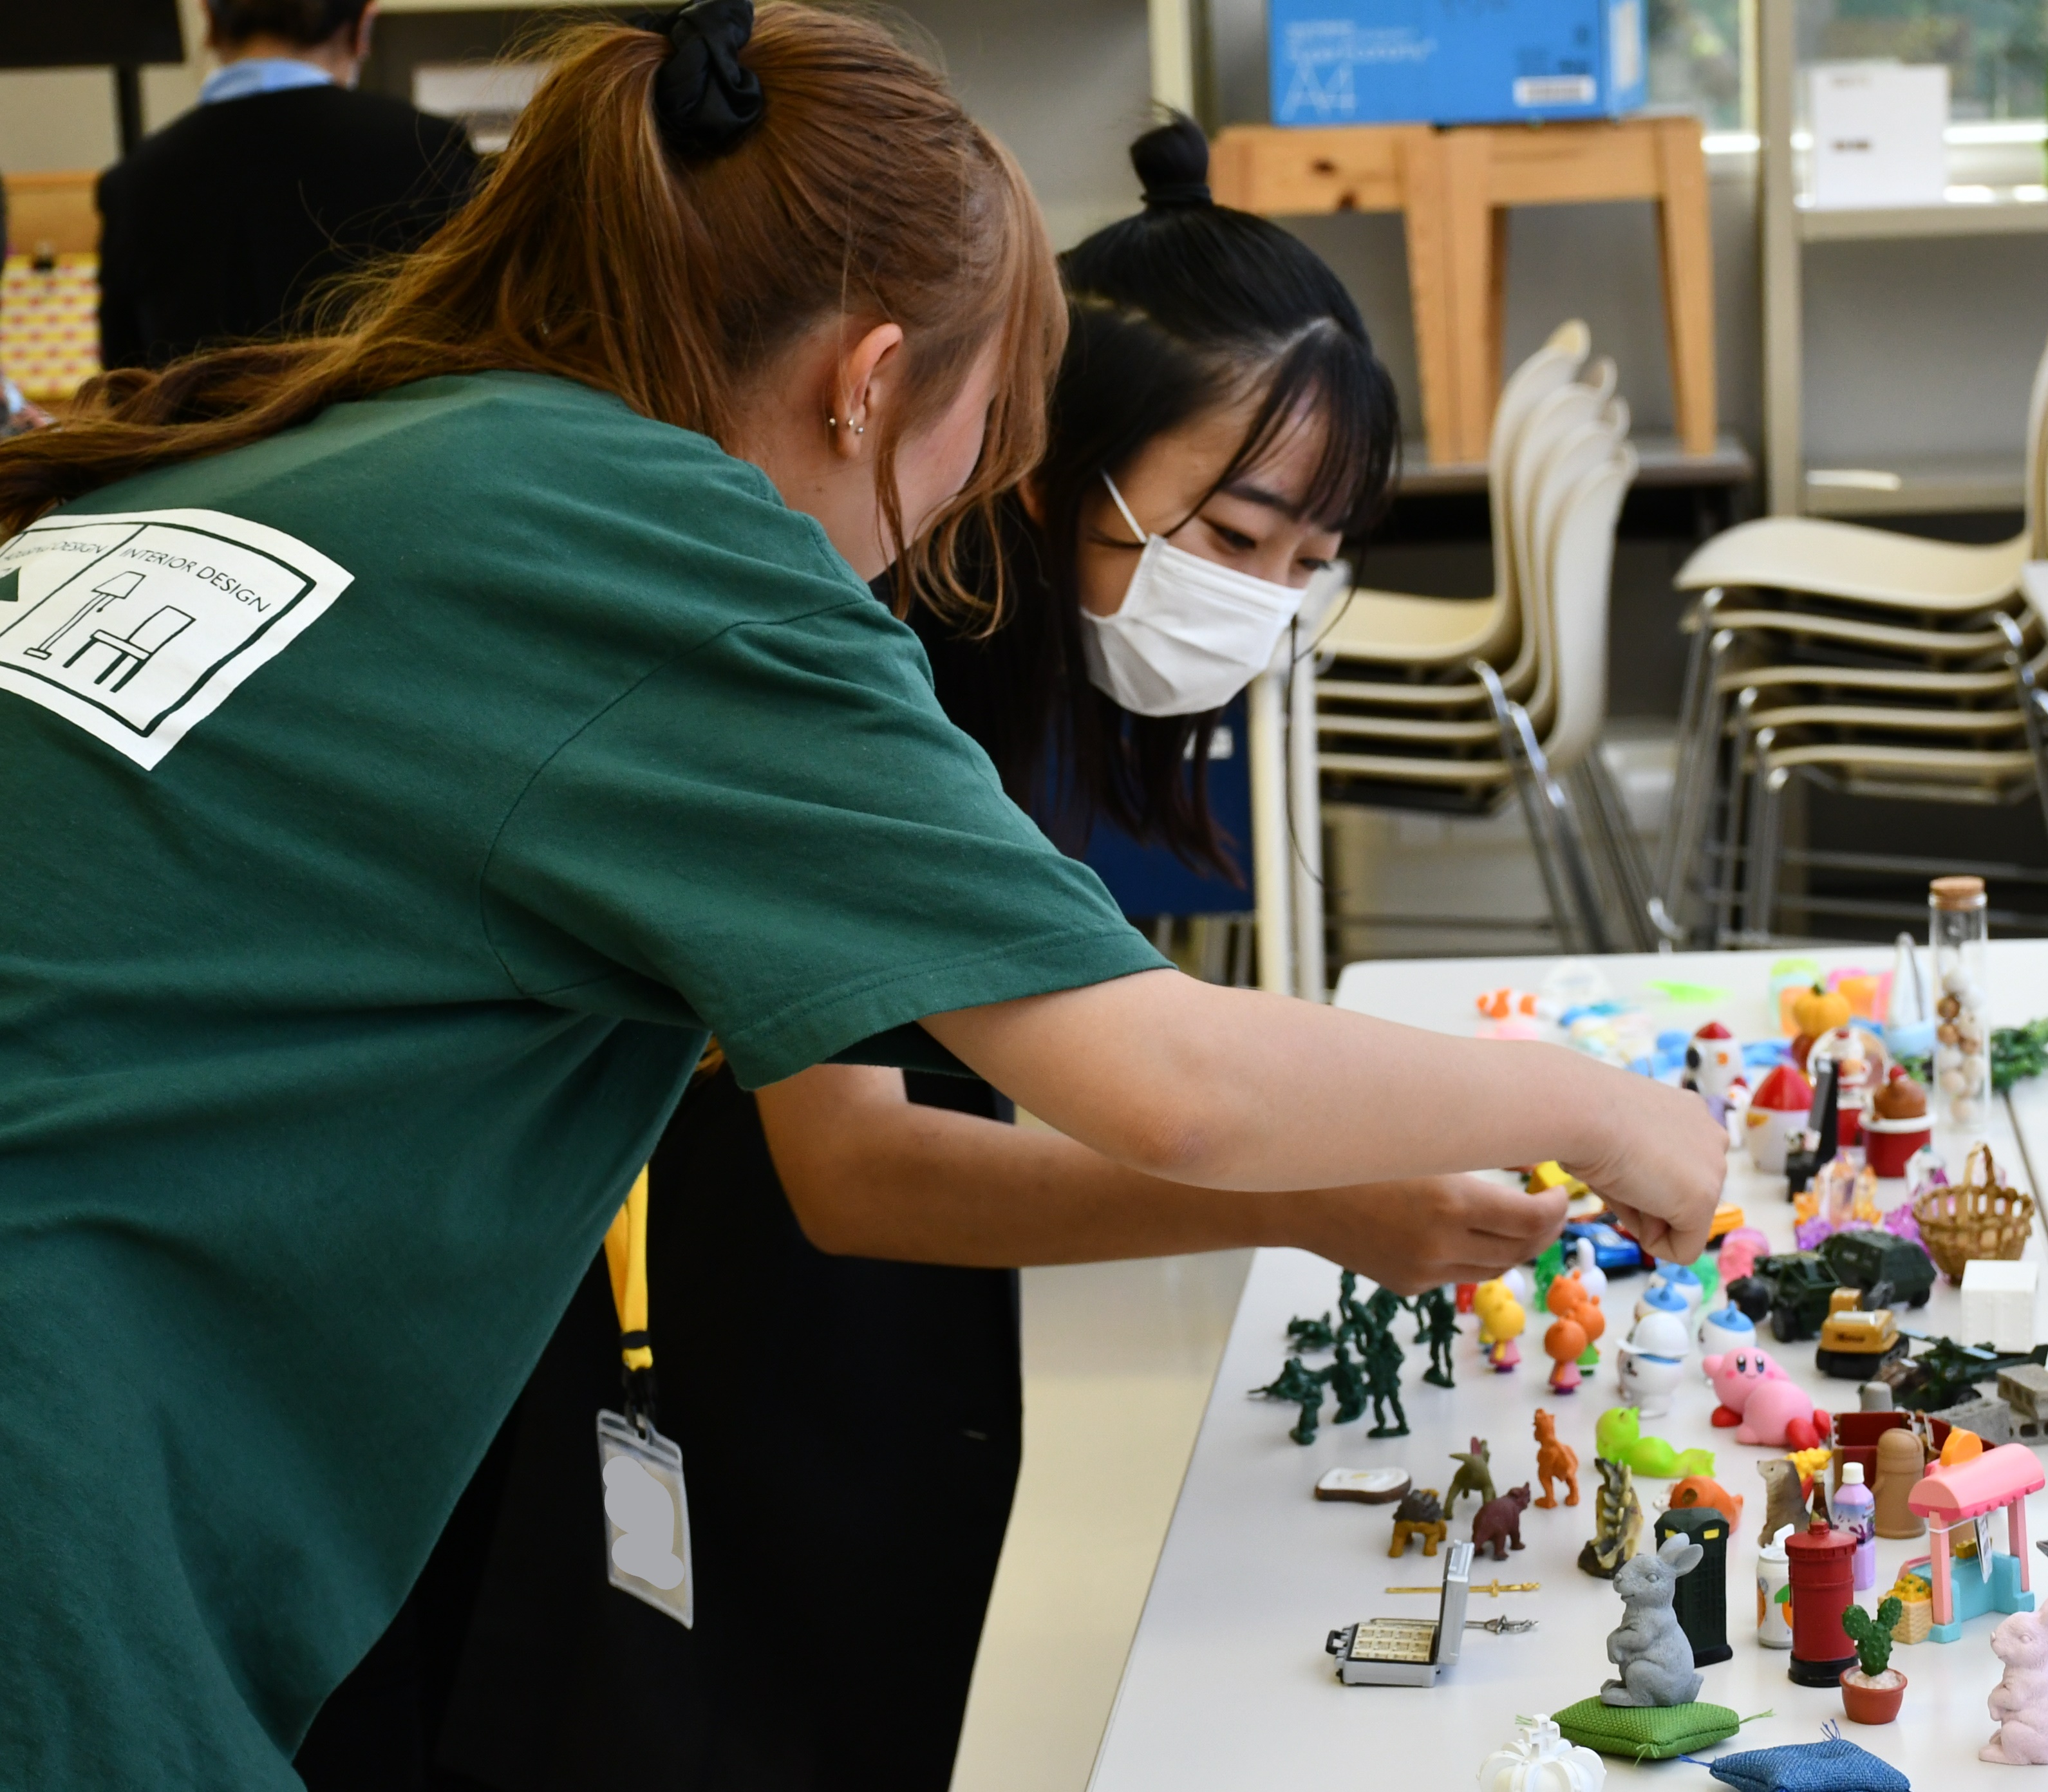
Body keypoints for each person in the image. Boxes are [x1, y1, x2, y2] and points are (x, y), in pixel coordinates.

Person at [0, 10, 1724, 1791]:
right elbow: (1167, 1083)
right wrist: (1598, 1106)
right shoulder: (664, 551)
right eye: (995, 425)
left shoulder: (356, 443)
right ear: (874, 376)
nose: (976, 494)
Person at [298, 112, 1519, 1792]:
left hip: (821, 1369)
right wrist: (1322, 1189)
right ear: (1045, 449)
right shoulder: (863, 662)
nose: (1264, 602)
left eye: (1311, 564)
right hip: (694, 1352)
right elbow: (869, 1167)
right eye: (1235, 540)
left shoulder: (1015, 655)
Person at [95, 0, 479, 369]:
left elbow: (126, 380)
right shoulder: (428, 149)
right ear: (362, 29)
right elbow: (479, 337)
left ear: (209, 24)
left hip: (207, 419)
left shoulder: (132, 185)